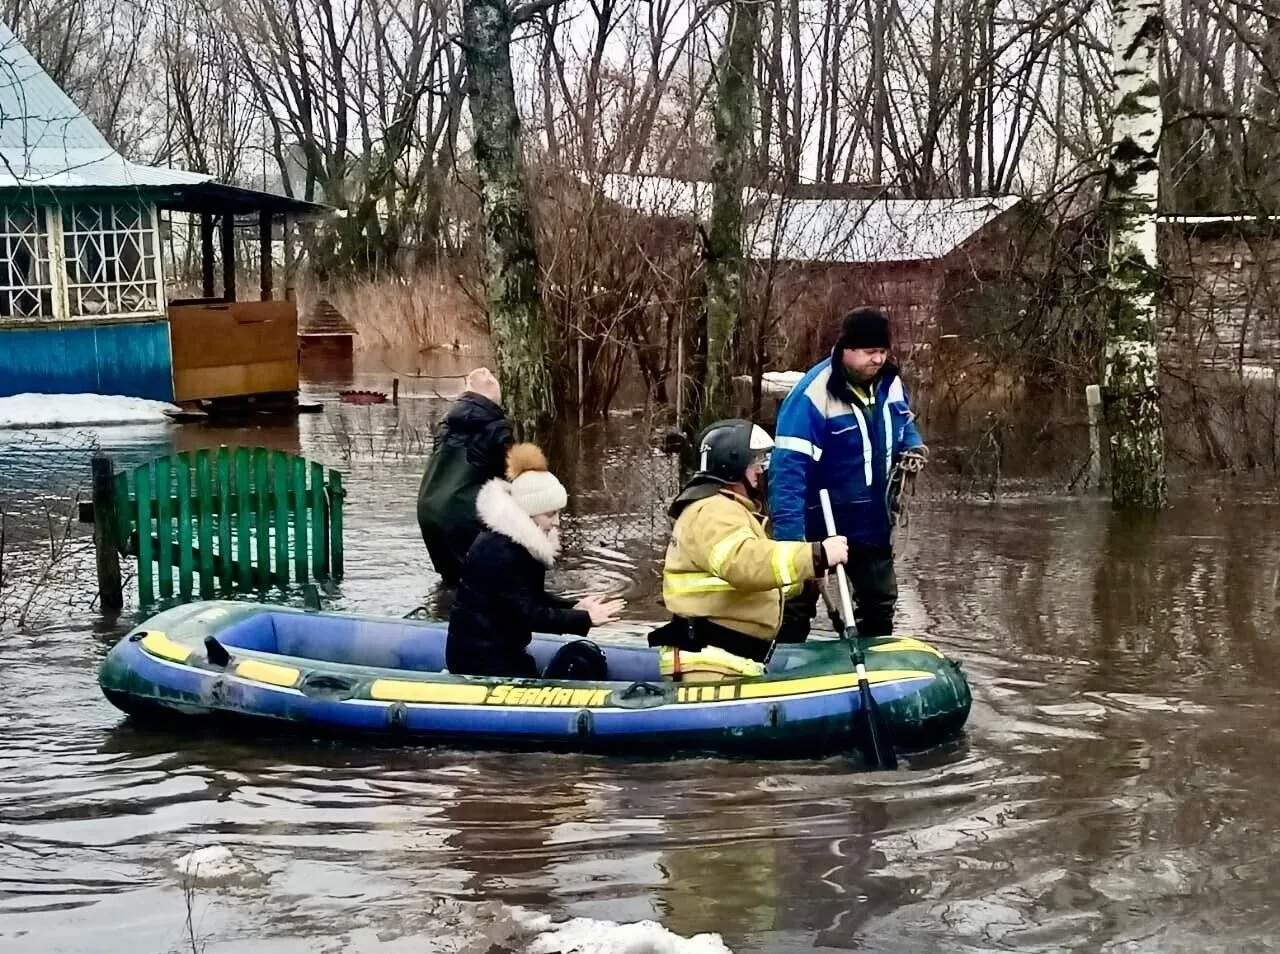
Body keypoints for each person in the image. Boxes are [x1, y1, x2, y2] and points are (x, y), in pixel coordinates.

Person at [769, 306, 928, 642]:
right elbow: (788, 472)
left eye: (883, 351)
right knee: (795, 607)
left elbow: (904, 423)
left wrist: (912, 446)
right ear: (846, 349)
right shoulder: (812, 395)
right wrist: (791, 544)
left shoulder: (891, 384)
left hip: (872, 519)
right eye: (870, 352)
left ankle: (874, 667)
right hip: (819, 521)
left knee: (880, 604)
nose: (878, 360)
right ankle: (786, 672)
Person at [650, 419, 849, 670]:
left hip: (725, 657)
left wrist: (803, 580)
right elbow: (744, 563)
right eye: (756, 463)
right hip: (711, 661)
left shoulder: (725, 510)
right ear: (732, 465)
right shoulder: (714, 511)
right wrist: (815, 555)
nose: (761, 470)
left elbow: (750, 584)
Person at [446, 442, 626, 679]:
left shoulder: (513, 542)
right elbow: (528, 614)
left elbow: (527, 598)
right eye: (551, 514)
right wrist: (583, 619)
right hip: (481, 660)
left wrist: (573, 607)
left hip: (498, 650)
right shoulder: (502, 552)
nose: (558, 522)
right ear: (528, 513)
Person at [416, 367, 514, 586]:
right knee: (486, 585)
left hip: (428, 510)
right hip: (463, 515)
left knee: (451, 583)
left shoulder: (445, 424)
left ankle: (440, 614)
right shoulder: (497, 428)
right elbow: (512, 478)